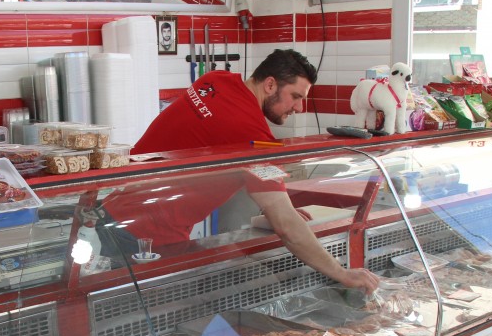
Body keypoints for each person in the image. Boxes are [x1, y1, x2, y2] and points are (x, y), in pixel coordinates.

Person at [97, 49, 379, 294]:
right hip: (146, 237)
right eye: (295, 96)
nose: (299, 107)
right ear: (270, 84)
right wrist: (342, 273)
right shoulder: (254, 136)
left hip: (115, 212)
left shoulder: (215, 80)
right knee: (149, 319)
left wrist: (270, 214)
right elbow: (286, 226)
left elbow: (210, 139)